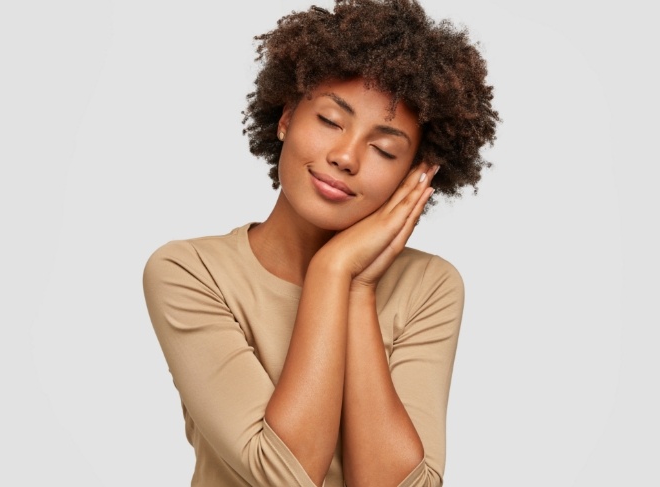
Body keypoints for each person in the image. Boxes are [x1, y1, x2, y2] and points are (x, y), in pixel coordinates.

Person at [143, 1, 498, 485]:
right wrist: (334, 271)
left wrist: (353, 285)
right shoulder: (190, 272)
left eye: (384, 148)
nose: (346, 156)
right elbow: (281, 476)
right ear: (287, 117)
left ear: (415, 173)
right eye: (331, 120)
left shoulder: (429, 287)